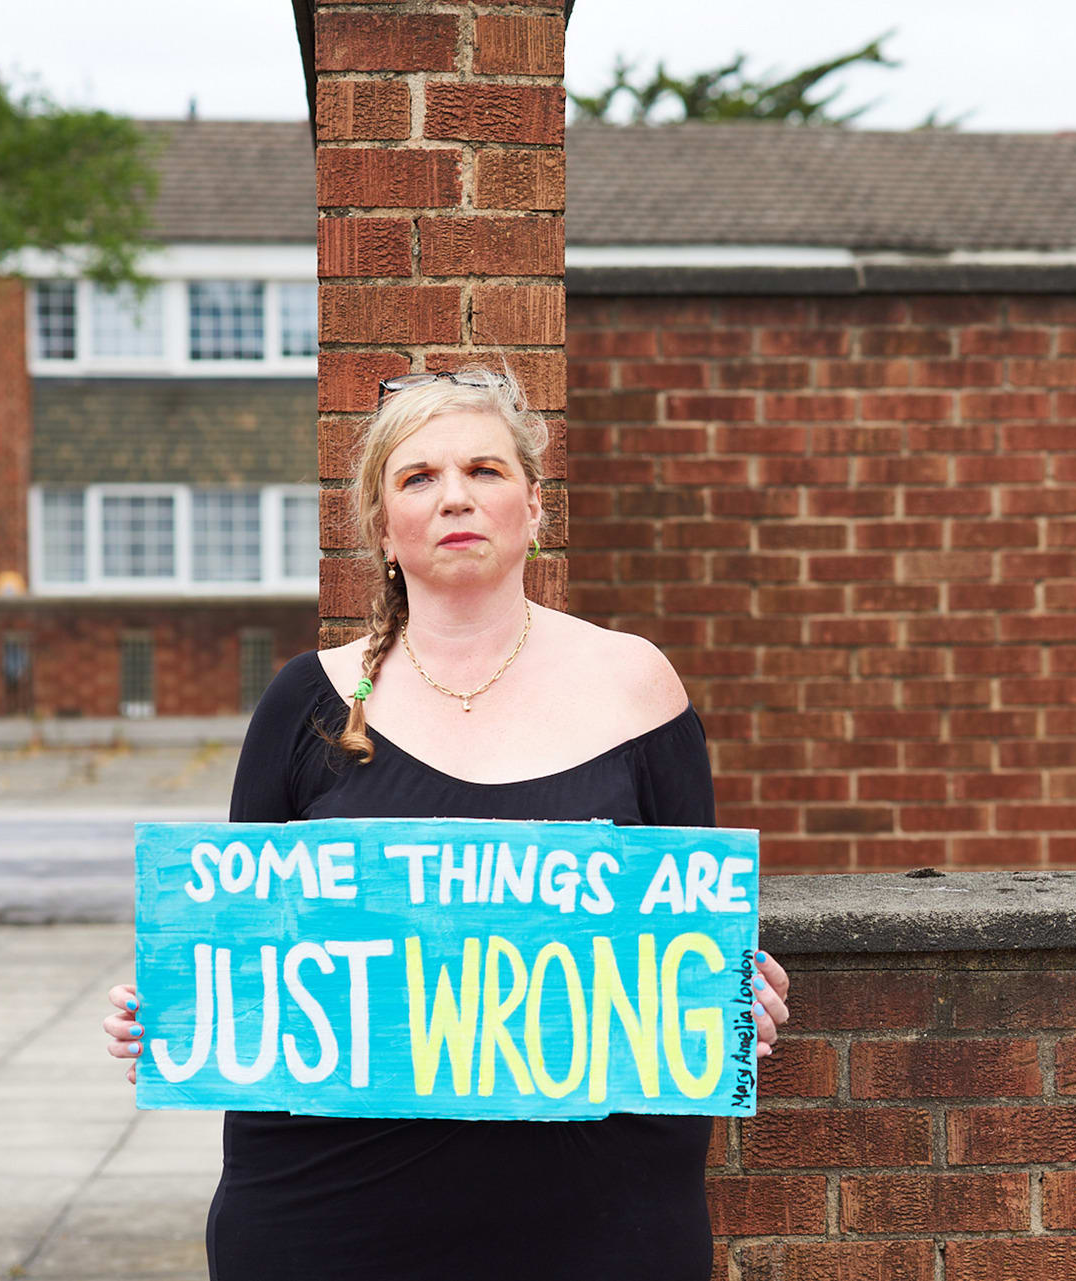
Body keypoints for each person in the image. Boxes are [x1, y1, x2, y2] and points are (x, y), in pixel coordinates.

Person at [99, 365, 791, 1281]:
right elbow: (249, 940)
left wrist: (735, 989)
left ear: (535, 508)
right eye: (418, 478)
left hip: (593, 1220)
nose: (455, 496)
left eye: (485, 471)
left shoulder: (637, 687)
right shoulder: (305, 704)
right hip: (329, 1219)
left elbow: (694, 931)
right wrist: (180, 1000)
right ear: (383, 527)